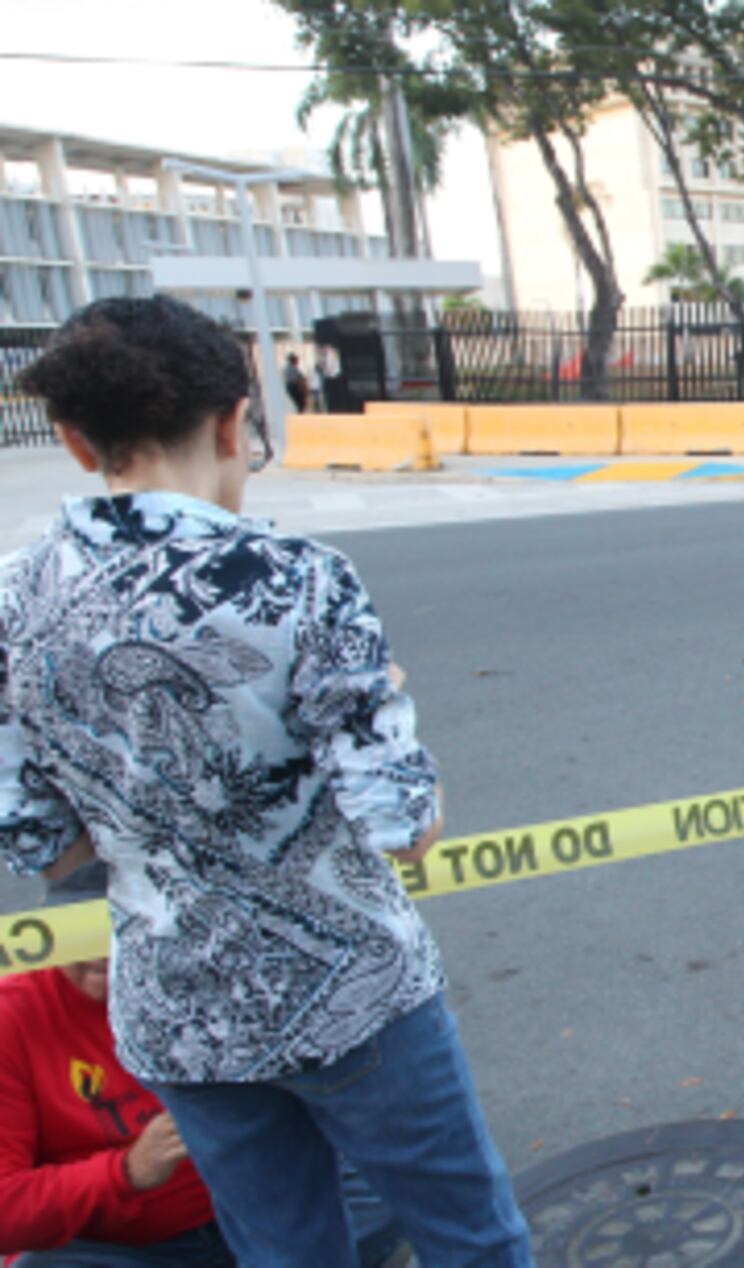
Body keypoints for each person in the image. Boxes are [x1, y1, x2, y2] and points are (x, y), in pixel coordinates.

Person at [0, 295, 530, 1262]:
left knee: (282, 1252)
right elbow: (405, 826)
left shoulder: (13, 598)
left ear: (79, 443)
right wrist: (386, 707)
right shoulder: (297, 579)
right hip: (351, 990)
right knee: (470, 1237)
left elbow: (34, 837)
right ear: (235, 421)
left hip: (175, 1010)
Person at [1, 865, 408, 1268]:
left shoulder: (227, 967)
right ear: (47, 927)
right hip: (119, 1246)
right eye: (82, 930)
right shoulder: (13, 1017)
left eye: (121, 926)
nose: (100, 953)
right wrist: (127, 1170)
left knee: (397, 1178)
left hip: (259, 1209)